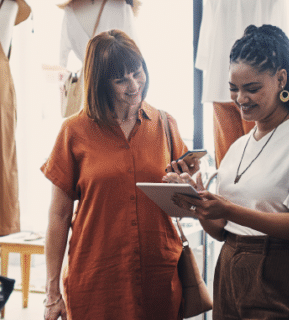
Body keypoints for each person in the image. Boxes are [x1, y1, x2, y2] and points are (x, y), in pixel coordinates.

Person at [168, 24, 289, 320]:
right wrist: (199, 203)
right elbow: (223, 230)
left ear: (281, 79)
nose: (240, 99)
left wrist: (228, 208)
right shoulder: (238, 147)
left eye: (252, 89)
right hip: (229, 274)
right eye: (233, 89)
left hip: (285, 275)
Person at [41, 29, 200, 320]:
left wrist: (187, 185)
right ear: (100, 83)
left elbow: (188, 202)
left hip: (160, 275)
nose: (133, 85)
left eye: (137, 73)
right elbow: (58, 217)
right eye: (120, 79)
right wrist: (52, 293)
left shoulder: (165, 124)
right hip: (97, 279)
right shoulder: (73, 132)